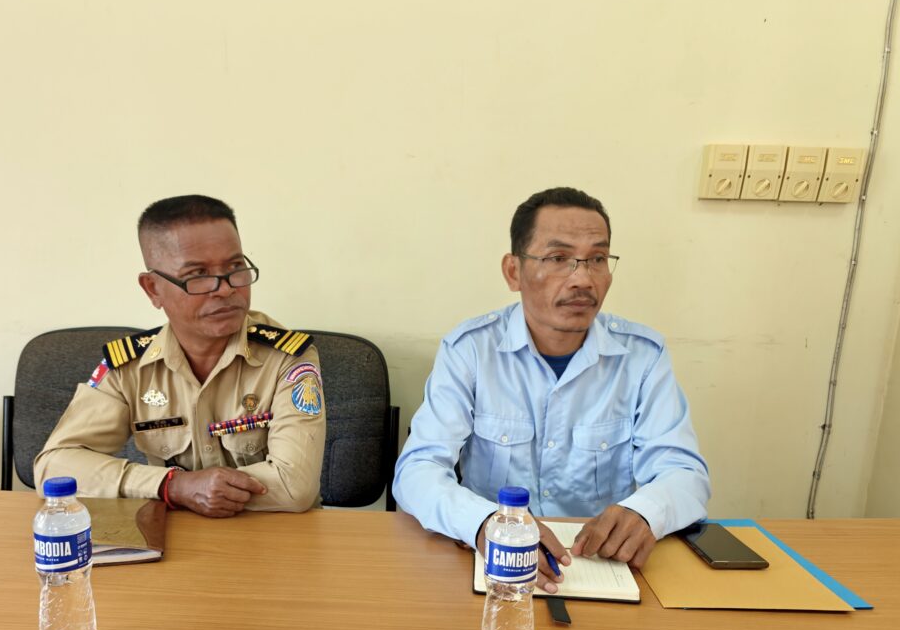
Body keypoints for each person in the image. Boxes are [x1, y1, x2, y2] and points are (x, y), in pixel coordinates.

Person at [392, 187, 709, 592]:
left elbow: (685, 473)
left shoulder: (643, 357)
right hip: (497, 565)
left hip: (600, 566)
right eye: (559, 258)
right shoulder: (470, 351)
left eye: (597, 259)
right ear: (513, 271)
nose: (583, 279)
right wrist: (484, 523)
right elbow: (417, 471)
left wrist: (646, 512)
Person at [35, 194, 326, 517]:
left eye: (235, 268)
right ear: (153, 289)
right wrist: (171, 486)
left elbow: (294, 486)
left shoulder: (287, 357)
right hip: (174, 533)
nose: (225, 289)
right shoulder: (129, 367)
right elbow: (53, 467)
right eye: (198, 275)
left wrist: (191, 490)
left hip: (275, 535)